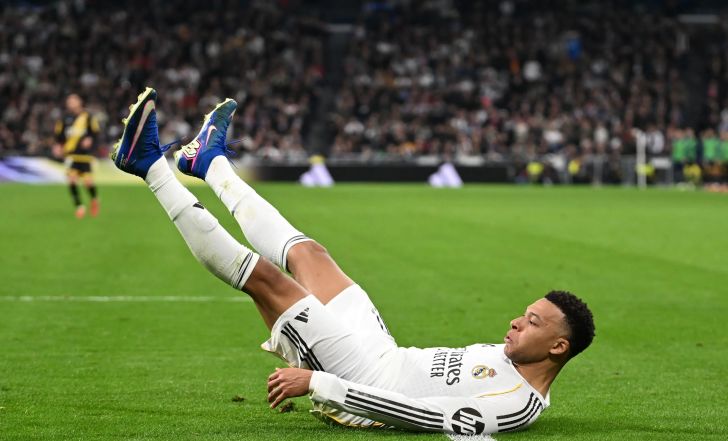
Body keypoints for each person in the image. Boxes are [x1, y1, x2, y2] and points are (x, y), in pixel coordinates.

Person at [111, 88, 595, 435]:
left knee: (267, 280)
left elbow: (424, 416)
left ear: (558, 347)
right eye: (524, 314)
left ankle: (149, 165)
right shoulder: (513, 358)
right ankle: (208, 162)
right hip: (382, 353)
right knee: (309, 255)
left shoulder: (515, 406)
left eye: (532, 322)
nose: (515, 322)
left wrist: (322, 383)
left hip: (362, 384)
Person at [53, 93, 101, 218]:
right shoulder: (64, 119)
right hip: (71, 155)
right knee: (71, 180)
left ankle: (94, 199)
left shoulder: (88, 116)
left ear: (80, 101)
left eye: (73, 101)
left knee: (88, 182)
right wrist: (58, 146)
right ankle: (79, 206)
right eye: (69, 101)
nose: (70, 103)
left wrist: (90, 140)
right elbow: (58, 136)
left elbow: (96, 133)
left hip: (85, 155)